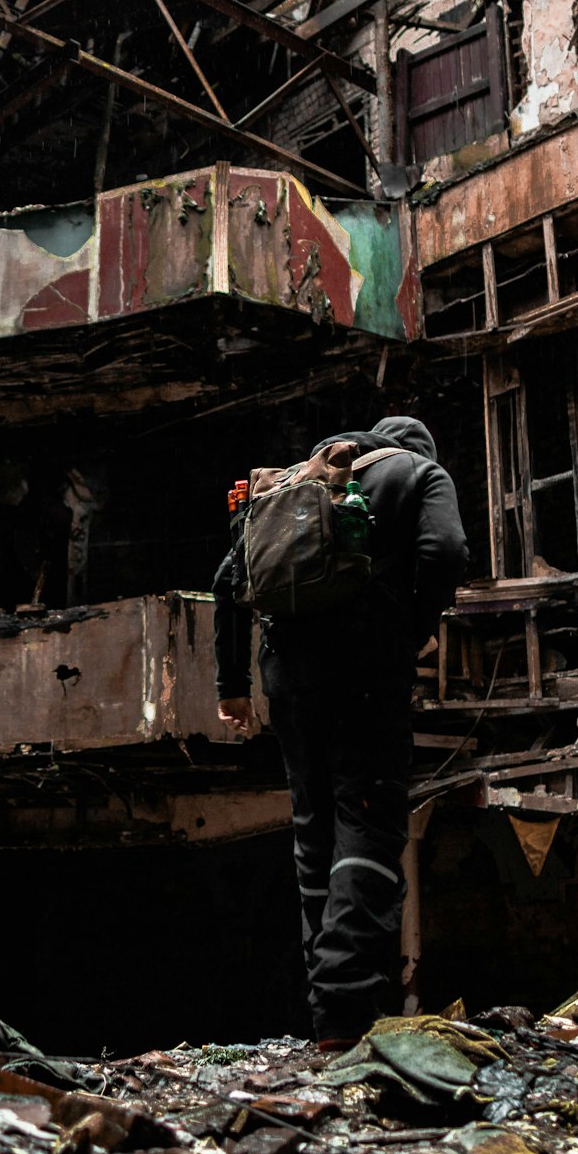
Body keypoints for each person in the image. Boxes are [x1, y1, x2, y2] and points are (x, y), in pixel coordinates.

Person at [212, 416, 468, 1050]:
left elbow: (227, 580)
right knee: (369, 825)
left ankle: (324, 1014)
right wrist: (409, 630)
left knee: (313, 829)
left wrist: (231, 687)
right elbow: (445, 552)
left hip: (287, 679)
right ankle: (345, 1017)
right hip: (365, 670)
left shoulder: (306, 479)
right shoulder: (420, 474)